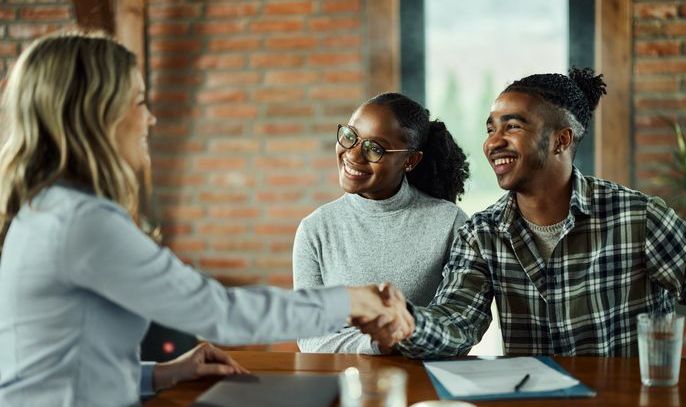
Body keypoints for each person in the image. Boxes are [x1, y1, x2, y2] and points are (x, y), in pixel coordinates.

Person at [0, 32, 409, 406]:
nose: (150, 118)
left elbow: (58, 364)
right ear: (97, 112)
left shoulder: (50, 209)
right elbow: (221, 312)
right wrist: (350, 300)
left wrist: (162, 374)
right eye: (140, 101)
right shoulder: (84, 223)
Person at [362, 67, 686, 358]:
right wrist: (408, 323)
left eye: (512, 126)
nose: (493, 141)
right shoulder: (481, 234)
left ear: (560, 140)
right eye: (491, 128)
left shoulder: (638, 218)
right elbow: (457, 321)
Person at [293, 92, 469, 354]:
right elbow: (309, 336)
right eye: (351, 136)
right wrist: (377, 343)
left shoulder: (450, 223)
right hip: (342, 381)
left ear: (410, 160)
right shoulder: (315, 229)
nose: (353, 155)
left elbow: (458, 329)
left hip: (422, 380)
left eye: (375, 148)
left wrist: (399, 333)